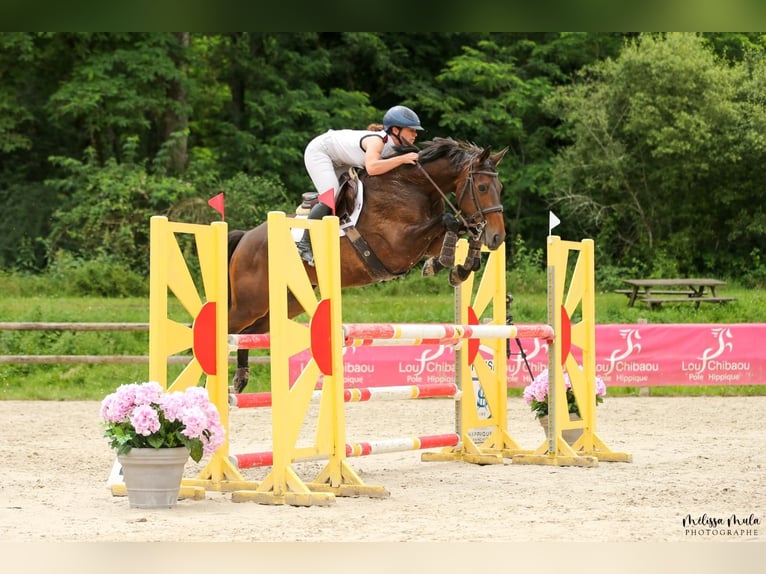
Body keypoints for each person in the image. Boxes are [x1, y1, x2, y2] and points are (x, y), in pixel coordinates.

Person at [297, 105, 424, 265]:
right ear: (396, 130)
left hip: (342, 161)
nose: (415, 133)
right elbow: (372, 168)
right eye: (411, 129)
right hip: (321, 152)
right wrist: (403, 159)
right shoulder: (377, 141)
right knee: (332, 195)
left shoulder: (394, 148)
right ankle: (304, 245)